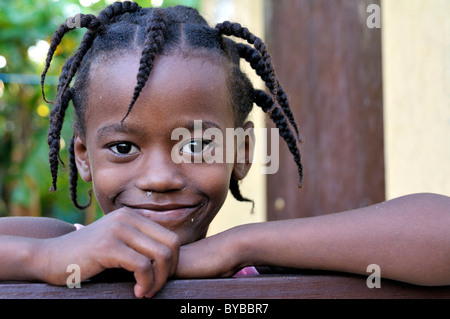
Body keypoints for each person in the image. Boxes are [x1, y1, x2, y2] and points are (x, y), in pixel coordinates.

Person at [0, 2, 448, 298]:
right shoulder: (62, 248)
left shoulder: (248, 272)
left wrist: (238, 246)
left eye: (196, 144)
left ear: (241, 152)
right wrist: (43, 259)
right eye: (122, 146)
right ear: (82, 155)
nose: (159, 177)